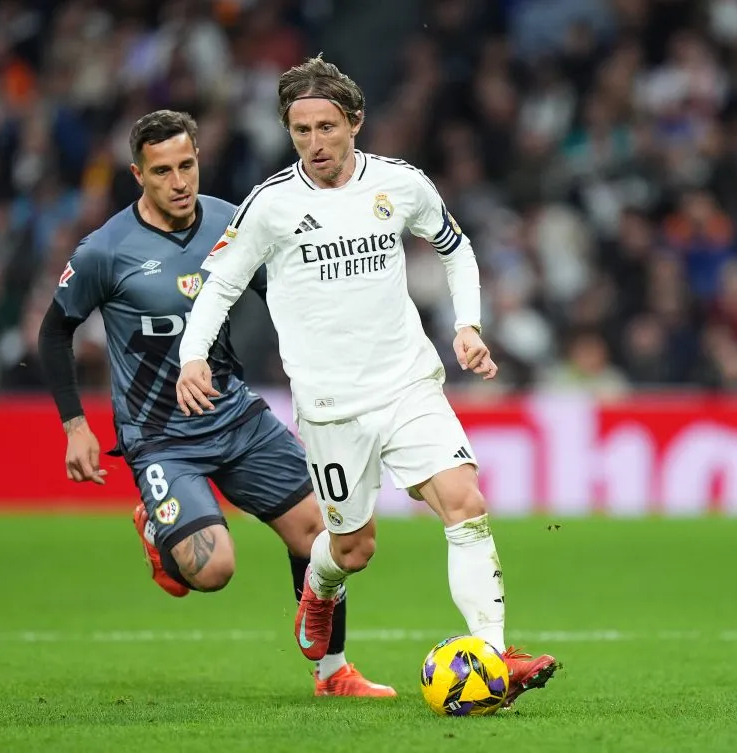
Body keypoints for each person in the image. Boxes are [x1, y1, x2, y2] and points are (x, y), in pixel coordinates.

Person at [176, 57, 559, 708]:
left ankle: (494, 653)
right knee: (353, 549)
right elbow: (220, 285)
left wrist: (467, 325)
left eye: (326, 127)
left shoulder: (399, 184)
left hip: (408, 383)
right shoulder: (271, 205)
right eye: (301, 130)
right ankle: (318, 588)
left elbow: (456, 247)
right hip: (332, 406)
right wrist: (193, 357)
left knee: (464, 501)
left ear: (355, 121)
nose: (315, 143)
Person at [37, 109, 394, 698]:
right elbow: (55, 332)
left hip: (236, 417)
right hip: (160, 436)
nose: (179, 182)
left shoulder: (234, 222)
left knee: (327, 535)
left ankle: (332, 673)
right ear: (138, 175)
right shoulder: (106, 251)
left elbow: (287, 296)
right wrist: (75, 425)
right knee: (213, 570)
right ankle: (158, 528)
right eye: (162, 171)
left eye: (187, 165)